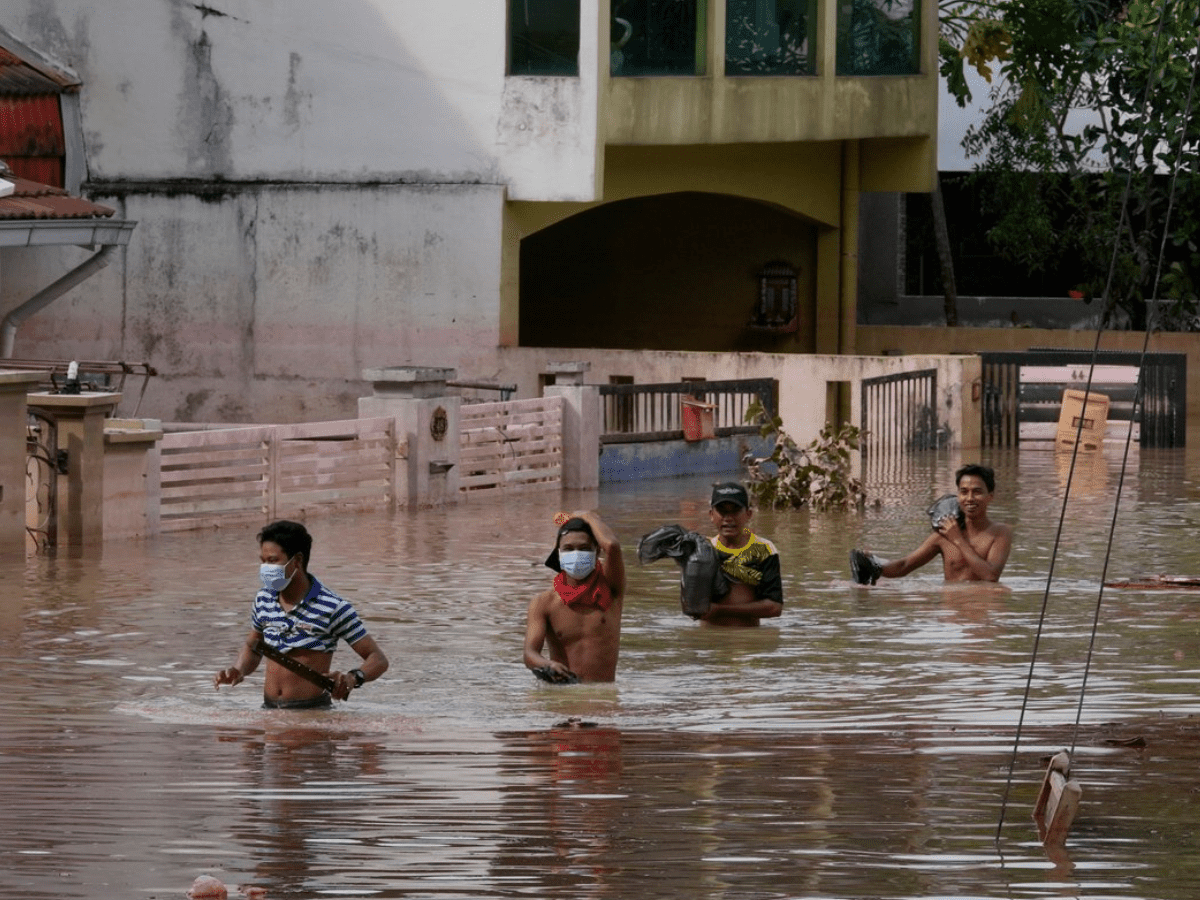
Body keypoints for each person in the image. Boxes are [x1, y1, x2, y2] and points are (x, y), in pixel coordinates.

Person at [214, 520, 389, 708]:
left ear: (297, 560)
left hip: (311, 712)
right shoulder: (263, 599)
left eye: (273, 560)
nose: (265, 567)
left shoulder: (333, 606)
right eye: (263, 561)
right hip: (269, 710)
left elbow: (378, 659)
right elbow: (253, 646)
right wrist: (239, 670)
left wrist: (353, 678)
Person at [523, 510, 626, 683]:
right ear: (558, 554)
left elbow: (613, 546)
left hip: (603, 695)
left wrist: (588, 517)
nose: (576, 554)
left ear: (597, 551)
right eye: (569, 549)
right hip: (564, 693)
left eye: (584, 548)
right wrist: (547, 664)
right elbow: (529, 654)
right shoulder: (544, 603)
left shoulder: (610, 591)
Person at [869, 464, 1012, 583]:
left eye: (977, 492)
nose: (969, 498)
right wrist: (873, 566)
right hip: (950, 611)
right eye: (964, 492)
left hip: (981, 609)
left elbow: (991, 576)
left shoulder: (1000, 533)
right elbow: (904, 566)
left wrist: (958, 539)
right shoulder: (944, 534)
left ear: (990, 496)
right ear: (958, 495)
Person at [705, 481, 783, 626]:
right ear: (711, 515)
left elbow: (774, 607)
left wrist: (720, 610)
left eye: (735, 510)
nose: (728, 518)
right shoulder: (703, 550)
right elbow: (691, 606)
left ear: (748, 514)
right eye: (722, 511)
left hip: (748, 642)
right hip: (708, 642)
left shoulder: (763, 549)